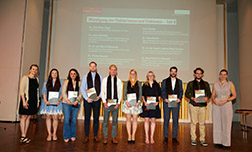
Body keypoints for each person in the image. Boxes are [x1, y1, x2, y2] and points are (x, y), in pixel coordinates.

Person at [185, 67, 211, 147]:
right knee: (193, 123)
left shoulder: (206, 84)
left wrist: (207, 98)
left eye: (200, 73)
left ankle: (202, 139)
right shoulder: (190, 83)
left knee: (202, 123)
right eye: (197, 73)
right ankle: (193, 139)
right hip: (193, 105)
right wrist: (192, 98)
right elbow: (186, 94)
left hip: (202, 106)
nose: (198, 75)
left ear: (202, 75)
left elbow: (209, 94)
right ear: (194, 74)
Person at [211, 69, 237, 149]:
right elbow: (213, 95)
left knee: (226, 123)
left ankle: (226, 143)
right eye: (221, 74)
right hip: (217, 104)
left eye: (224, 74)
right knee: (217, 122)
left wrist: (226, 100)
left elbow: (234, 95)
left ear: (227, 75)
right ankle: (218, 141)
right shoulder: (215, 84)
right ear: (219, 75)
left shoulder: (230, 84)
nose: (223, 76)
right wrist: (214, 101)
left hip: (227, 104)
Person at [81, 61, 103, 143]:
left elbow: (102, 88)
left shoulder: (100, 77)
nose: (93, 68)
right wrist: (86, 98)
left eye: (94, 66)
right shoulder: (85, 77)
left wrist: (99, 96)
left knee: (96, 118)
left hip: (97, 100)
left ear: (96, 67)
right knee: (87, 118)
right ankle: (86, 136)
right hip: (88, 101)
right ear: (89, 67)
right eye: (91, 66)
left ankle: (95, 135)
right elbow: (82, 88)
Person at [161, 66, 183, 145]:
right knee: (166, 120)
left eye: (175, 71)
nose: (173, 73)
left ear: (176, 73)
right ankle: (166, 137)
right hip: (167, 103)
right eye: (172, 71)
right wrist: (164, 98)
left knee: (175, 120)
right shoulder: (164, 81)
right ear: (170, 72)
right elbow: (162, 91)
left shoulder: (179, 81)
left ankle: (174, 137)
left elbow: (181, 91)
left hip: (176, 103)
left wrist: (179, 98)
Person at [101, 64, 122, 144]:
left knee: (115, 122)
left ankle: (113, 137)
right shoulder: (105, 80)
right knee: (105, 121)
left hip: (115, 104)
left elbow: (120, 93)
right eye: (112, 69)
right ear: (109, 70)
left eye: (115, 70)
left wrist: (118, 103)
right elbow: (102, 92)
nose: (113, 71)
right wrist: (104, 102)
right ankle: (105, 137)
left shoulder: (119, 81)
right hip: (107, 103)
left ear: (116, 71)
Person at [40, 68, 63, 141]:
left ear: (57, 74)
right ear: (50, 74)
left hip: (57, 103)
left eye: (56, 73)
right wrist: (45, 100)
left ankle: (55, 133)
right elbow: (44, 92)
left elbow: (62, 93)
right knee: (48, 117)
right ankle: (49, 134)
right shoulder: (46, 82)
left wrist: (59, 100)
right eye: (53, 73)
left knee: (55, 118)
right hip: (48, 103)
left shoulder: (60, 82)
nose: (54, 74)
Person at [19, 64, 39, 144]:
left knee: (29, 117)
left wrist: (37, 101)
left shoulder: (36, 79)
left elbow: (37, 91)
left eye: (36, 69)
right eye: (33, 69)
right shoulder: (25, 78)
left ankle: (25, 135)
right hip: (26, 100)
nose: (34, 71)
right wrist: (24, 101)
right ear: (30, 70)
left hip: (33, 101)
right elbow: (22, 91)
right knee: (23, 117)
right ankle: (23, 136)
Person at [140, 71, 161, 144]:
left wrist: (157, 101)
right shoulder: (144, 85)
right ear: (147, 77)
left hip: (154, 105)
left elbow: (159, 95)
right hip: (146, 105)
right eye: (149, 75)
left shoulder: (157, 85)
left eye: (152, 75)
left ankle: (151, 137)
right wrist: (144, 102)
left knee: (153, 120)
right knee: (146, 120)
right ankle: (146, 137)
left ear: (154, 76)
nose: (150, 77)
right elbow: (142, 95)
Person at [62, 68, 82, 143]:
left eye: (74, 73)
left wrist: (77, 100)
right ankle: (66, 136)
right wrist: (67, 100)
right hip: (66, 103)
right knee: (66, 120)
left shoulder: (79, 83)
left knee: (74, 120)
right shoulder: (66, 82)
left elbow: (81, 93)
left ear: (76, 75)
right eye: (71, 73)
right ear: (69, 75)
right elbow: (63, 92)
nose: (73, 75)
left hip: (76, 104)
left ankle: (72, 135)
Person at [122, 69, 142, 144]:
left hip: (136, 104)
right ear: (129, 74)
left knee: (135, 119)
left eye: (134, 74)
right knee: (128, 119)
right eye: (131, 73)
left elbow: (140, 93)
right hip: (128, 104)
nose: (132, 75)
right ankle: (129, 136)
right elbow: (124, 93)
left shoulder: (139, 83)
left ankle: (133, 135)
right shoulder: (126, 83)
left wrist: (138, 102)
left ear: (136, 75)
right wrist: (126, 102)